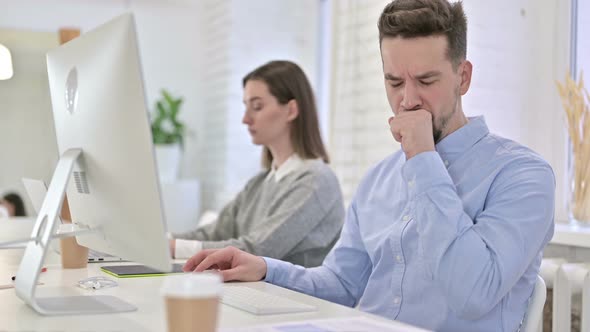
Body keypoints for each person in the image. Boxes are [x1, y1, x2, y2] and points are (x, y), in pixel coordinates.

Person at [182, 1, 556, 331]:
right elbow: (342, 285)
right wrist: (265, 268)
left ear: (463, 76)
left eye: (426, 80)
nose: (408, 101)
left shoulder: (522, 176)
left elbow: (472, 292)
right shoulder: (379, 179)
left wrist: (424, 157)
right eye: (394, 82)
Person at [169, 60, 345, 268]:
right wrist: (163, 241)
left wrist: (174, 248)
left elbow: (258, 249)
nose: (245, 119)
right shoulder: (259, 183)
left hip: (288, 298)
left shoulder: (316, 181)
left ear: (291, 110)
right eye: (246, 107)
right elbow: (213, 232)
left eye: (257, 106)